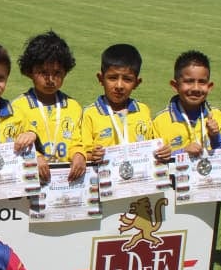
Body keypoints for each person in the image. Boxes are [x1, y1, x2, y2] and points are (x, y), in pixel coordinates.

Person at [67, 44, 157, 182]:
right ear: (100, 79)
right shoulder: (90, 114)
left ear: (137, 83)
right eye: (113, 78)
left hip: (138, 185)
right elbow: (82, 151)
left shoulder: (143, 111)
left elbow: (153, 146)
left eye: (127, 79)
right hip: (104, 187)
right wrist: (92, 155)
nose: (119, 86)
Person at [10, 31, 84, 182]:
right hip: (31, 182)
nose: (50, 79)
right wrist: (34, 156)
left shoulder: (74, 107)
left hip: (66, 183)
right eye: (43, 72)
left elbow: (78, 141)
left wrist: (79, 155)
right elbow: (12, 145)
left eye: (57, 73)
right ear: (29, 72)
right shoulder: (16, 107)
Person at [152, 50, 221, 163]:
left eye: (202, 82)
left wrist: (215, 136)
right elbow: (155, 164)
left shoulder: (217, 116)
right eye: (189, 81)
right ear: (175, 86)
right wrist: (182, 153)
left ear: (209, 86)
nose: (196, 88)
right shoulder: (160, 122)